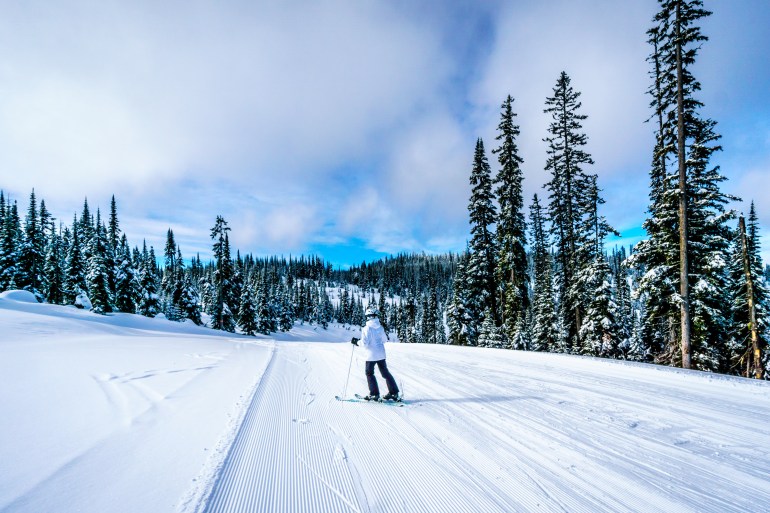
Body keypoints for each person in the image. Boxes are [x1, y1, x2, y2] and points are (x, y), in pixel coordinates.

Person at [351, 304, 400, 401]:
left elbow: (364, 343)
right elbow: (385, 340)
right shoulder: (380, 327)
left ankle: (374, 394)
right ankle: (394, 393)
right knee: (385, 373)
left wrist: (356, 342)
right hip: (381, 354)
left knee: (369, 373)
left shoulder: (367, 328)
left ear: (369, 317)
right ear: (375, 316)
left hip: (371, 355)